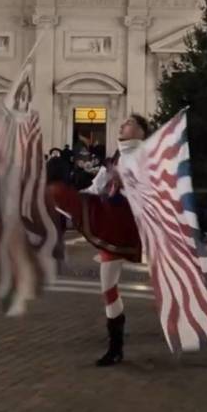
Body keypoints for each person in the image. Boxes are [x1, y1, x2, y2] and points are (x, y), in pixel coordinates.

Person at [48, 114, 148, 366]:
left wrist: (126, 183)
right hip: (109, 221)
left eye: (128, 124)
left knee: (112, 286)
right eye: (123, 122)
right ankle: (116, 345)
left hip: (124, 223)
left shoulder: (145, 158)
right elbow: (95, 187)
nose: (122, 125)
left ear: (139, 133)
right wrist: (77, 203)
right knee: (108, 287)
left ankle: (116, 348)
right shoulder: (115, 158)